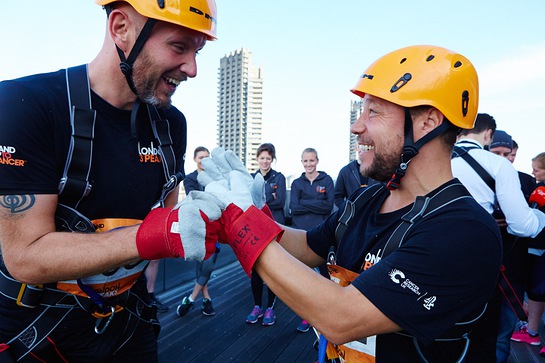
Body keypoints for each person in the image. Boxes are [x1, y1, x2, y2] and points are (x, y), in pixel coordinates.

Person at [198, 45, 503, 362]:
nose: (357, 126)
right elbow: (306, 245)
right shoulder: (369, 198)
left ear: (428, 121)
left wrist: (242, 225)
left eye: (373, 112)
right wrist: (250, 212)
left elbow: (340, 317)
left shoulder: (464, 231)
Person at [0, 1, 218, 361]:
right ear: (120, 27)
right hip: (41, 333)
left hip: (131, 322)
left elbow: (166, 213)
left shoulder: (170, 124)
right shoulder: (27, 105)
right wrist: (152, 237)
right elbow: (23, 255)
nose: (192, 69)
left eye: (198, 51)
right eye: (179, 46)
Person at [451, 115, 545, 362]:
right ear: (488, 134)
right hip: (484, 263)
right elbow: (522, 226)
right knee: (491, 339)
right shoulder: (496, 165)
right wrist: (538, 217)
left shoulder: (429, 160)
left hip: (433, 261)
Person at [487, 130, 537, 362]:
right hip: (478, 266)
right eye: (497, 153)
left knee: (503, 334)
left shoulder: (526, 181)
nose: (504, 159)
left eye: (509, 154)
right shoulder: (474, 178)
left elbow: (532, 225)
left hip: (513, 269)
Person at [289, 147, 334, 333]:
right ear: (302, 162)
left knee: (325, 277)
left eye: (312, 161)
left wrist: (305, 204)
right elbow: (293, 208)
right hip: (301, 235)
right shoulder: (297, 183)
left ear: (317, 161)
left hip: (321, 235)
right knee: (304, 279)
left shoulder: (327, 180)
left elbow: (328, 207)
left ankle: (328, 313)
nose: (309, 164)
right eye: (305, 161)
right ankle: (307, 317)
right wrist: (317, 204)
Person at [244, 143, 286, 326]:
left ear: (272, 159)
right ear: (257, 159)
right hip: (256, 228)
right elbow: (248, 203)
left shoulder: (279, 177)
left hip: (274, 228)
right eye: (262, 158)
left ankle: (270, 308)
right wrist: (270, 198)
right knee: (256, 270)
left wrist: (262, 202)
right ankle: (257, 306)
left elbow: (281, 202)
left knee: (273, 269)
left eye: (268, 158)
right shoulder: (251, 178)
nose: (265, 161)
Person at [177, 146, 219, 318]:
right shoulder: (190, 178)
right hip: (197, 227)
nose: (204, 160)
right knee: (201, 265)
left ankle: (191, 299)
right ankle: (207, 299)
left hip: (214, 227)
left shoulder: (215, 178)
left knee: (207, 266)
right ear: (195, 159)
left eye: (207, 157)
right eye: (201, 157)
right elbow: (194, 200)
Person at [511, 152, 545, 357]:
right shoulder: (538, 189)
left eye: (537, 169)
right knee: (536, 290)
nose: (533, 172)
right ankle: (531, 331)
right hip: (537, 245)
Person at [334, 146, 377, 210]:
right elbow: (337, 196)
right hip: (354, 218)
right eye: (361, 145)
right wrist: (347, 210)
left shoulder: (379, 170)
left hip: (374, 216)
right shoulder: (345, 171)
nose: (363, 148)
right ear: (356, 147)